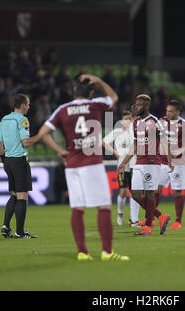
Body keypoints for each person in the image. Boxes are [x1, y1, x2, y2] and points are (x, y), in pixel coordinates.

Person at [37, 73, 129, 262]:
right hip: (92, 163)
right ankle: (107, 252)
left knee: (77, 208)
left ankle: (82, 252)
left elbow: (43, 133)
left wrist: (60, 151)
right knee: (103, 206)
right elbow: (114, 97)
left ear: (74, 91)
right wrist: (99, 80)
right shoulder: (96, 104)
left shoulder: (63, 109)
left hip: (72, 165)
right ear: (92, 93)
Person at [118, 94, 172, 236]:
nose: (136, 107)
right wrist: (124, 162)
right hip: (139, 162)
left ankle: (147, 227)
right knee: (135, 194)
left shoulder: (155, 122)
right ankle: (161, 216)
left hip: (152, 162)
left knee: (149, 195)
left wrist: (170, 161)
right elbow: (135, 145)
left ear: (146, 105)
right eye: (135, 104)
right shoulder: (136, 123)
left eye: (139, 104)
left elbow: (165, 142)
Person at [0, 94, 42, 239]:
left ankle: (5, 226)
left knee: (15, 195)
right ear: (22, 105)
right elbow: (26, 143)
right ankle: (20, 233)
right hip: (19, 160)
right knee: (22, 196)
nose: (29, 107)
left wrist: (4, 160)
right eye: (28, 104)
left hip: (8, 161)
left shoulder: (4, 119)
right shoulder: (22, 120)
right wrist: (40, 136)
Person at [156, 99, 185, 230]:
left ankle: (178, 221)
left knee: (177, 192)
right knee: (155, 190)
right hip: (162, 162)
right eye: (167, 111)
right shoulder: (161, 122)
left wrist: (182, 150)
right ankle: (151, 218)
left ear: (178, 112)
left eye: (171, 111)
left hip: (178, 163)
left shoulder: (184, 124)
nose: (168, 113)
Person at [103, 110, 140, 227]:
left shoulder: (134, 132)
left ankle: (134, 218)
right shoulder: (117, 132)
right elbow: (103, 142)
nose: (127, 121)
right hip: (122, 165)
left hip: (134, 164)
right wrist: (114, 152)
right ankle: (120, 213)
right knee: (123, 191)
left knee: (134, 192)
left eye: (129, 118)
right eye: (125, 119)